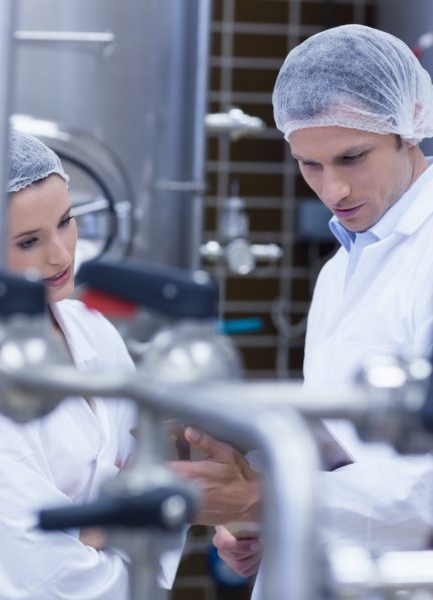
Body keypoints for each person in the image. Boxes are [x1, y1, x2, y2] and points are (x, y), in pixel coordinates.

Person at [170, 23, 433, 587]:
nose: (333, 191)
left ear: (409, 126)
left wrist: (263, 499)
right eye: (310, 165)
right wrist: (254, 499)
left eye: (352, 157)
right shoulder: (343, 266)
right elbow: (339, 436)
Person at [0, 129, 181, 599]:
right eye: (28, 241)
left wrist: (94, 528)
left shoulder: (94, 330)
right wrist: (121, 522)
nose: (60, 254)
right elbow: (33, 562)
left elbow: (157, 483)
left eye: (66, 221)